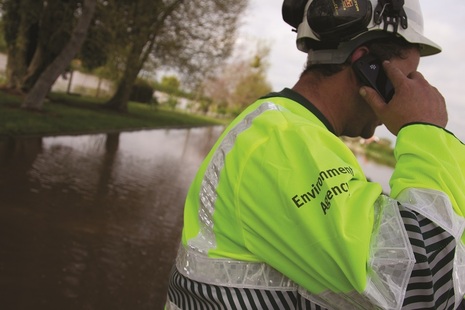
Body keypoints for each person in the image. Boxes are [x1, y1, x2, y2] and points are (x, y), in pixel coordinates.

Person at [165, 0, 465, 309]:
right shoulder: (278, 142)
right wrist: (425, 129)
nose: (414, 90)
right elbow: (424, 284)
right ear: (367, 66)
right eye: (408, 76)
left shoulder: (299, 137)